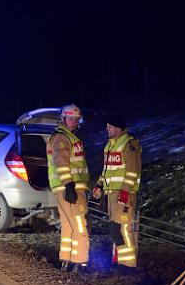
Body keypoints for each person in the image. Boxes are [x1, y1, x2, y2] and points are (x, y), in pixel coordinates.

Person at [93, 115, 142, 269]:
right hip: (111, 194)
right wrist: (99, 186)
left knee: (123, 229)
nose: (107, 128)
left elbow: (132, 171)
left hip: (123, 194)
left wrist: (125, 192)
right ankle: (119, 261)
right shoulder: (110, 145)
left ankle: (128, 265)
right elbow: (106, 170)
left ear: (118, 128)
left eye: (110, 126)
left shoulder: (128, 144)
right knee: (115, 229)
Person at [47, 104, 90, 272]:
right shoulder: (62, 137)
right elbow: (61, 162)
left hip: (68, 187)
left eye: (76, 119)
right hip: (71, 188)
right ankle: (80, 262)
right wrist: (69, 186)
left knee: (68, 226)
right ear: (63, 119)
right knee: (80, 225)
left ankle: (66, 261)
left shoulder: (68, 137)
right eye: (70, 119)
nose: (73, 122)